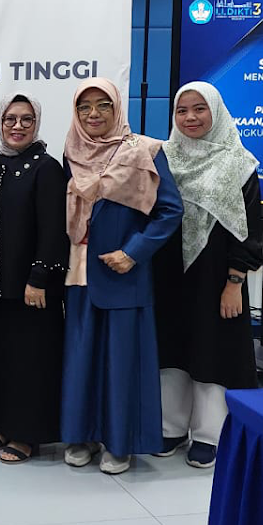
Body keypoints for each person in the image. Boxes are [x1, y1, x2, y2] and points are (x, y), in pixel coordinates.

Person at [60, 77, 183, 475]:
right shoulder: (71, 152)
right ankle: (81, 435)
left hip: (123, 274)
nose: (93, 114)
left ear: (117, 109)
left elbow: (170, 210)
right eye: (84, 107)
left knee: (122, 362)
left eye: (103, 105)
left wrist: (133, 253)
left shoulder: (144, 150)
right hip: (79, 275)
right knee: (82, 358)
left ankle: (119, 442)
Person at [152, 81, 262, 469]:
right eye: (182, 110)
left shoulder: (239, 164)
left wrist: (235, 281)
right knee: (171, 348)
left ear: (216, 112)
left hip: (216, 276)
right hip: (169, 273)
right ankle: (170, 427)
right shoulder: (163, 158)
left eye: (200, 109)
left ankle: (208, 434)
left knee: (211, 348)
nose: (190, 118)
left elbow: (249, 230)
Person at [0, 92, 68, 464]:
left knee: (31, 362)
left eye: (26, 119)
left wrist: (39, 277)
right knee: (2, 358)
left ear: (36, 123)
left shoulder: (46, 168)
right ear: (0, 122)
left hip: (30, 288)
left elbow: (54, 229)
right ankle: (5, 423)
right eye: (10, 119)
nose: (17, 126)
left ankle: (29, 434)